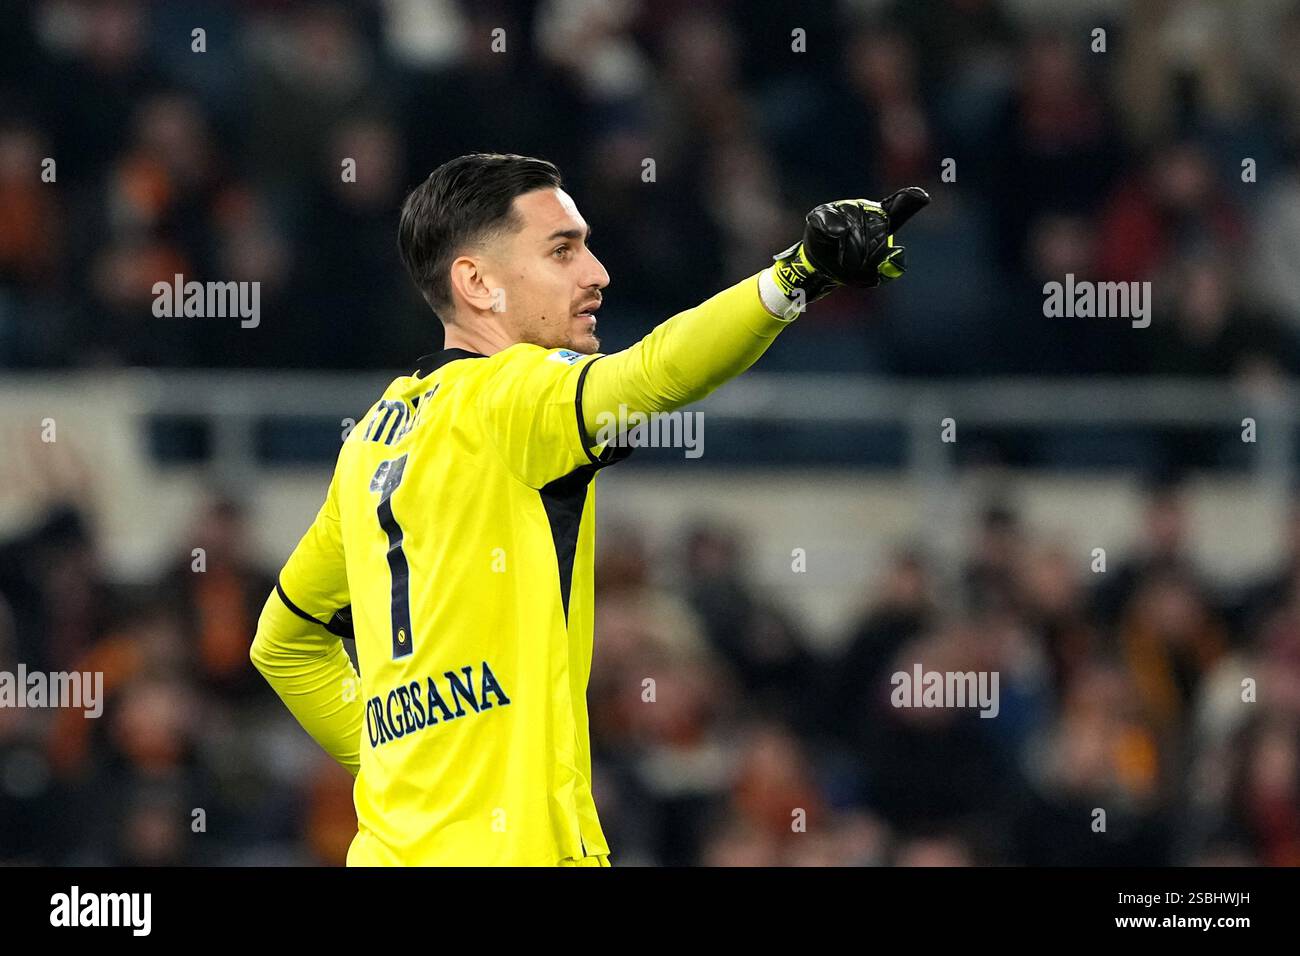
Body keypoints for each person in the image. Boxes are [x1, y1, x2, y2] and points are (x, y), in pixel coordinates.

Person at [250, 152, 927, 866]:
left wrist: (407, 770)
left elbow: (285, 641)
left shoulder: (371, 441)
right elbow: (654, 375)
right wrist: (797, 274)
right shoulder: (513, 397)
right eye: (562, 250)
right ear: (477, 282)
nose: (597, 272)